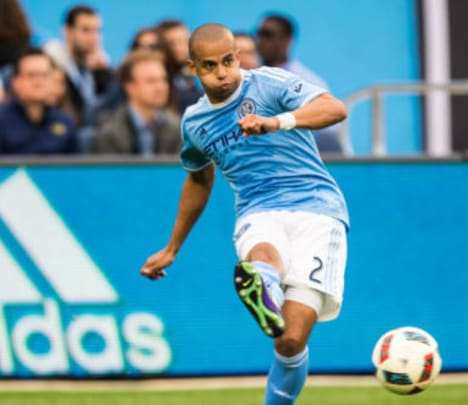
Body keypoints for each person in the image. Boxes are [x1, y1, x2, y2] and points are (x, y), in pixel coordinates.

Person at [139, 23, 348, 404]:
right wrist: (172, 248)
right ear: (193, 68)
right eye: (210, 66)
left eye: (228, 61)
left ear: (237, 56)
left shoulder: (269, 84)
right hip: (258, 209)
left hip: (317, 209)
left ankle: (266, 296)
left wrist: (277, 122)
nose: (222, 73)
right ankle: (262, 283)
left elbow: (335, 108)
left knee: (290, 339)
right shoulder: (196, 122)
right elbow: (199, 181)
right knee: (262, 256)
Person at [256, 14, 344, 154]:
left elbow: (329, 133)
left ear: (287, 40)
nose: (260, 41)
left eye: (268, 35)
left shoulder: (306, 81)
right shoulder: (251, 77)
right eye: (258, 34)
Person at [91, 51, 181, 155]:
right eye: (151, 81)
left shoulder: (178, 129)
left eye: (163, 79)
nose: (160, 87)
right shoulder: (109, 133)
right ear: (130, 87)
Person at [43, 5, 113, 124]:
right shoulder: (50, 66)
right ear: (67, 31)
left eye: (97, 31)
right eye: (86, 30)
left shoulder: (98, 68)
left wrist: (103, 73)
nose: (93, 37)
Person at [0, 48, 77, 154]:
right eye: (31, 75)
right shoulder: (2, 121)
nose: (38, 82)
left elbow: (77, 167)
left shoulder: (65, 121)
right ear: (16, 82)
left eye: (44, 75)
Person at [156, 19, 203, 113]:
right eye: (173, 43)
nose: (181, 48)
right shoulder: (161, 76)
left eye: (185, 40)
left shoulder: (188, 73)